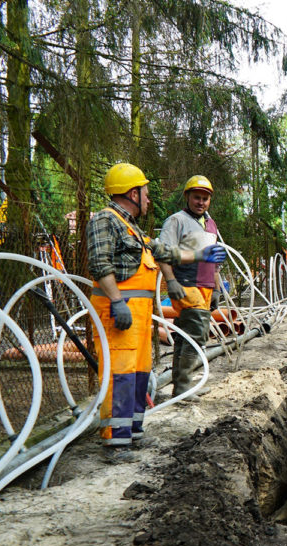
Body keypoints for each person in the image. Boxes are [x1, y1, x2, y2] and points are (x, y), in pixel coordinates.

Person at [87, 163, 226, 447]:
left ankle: (132, 430)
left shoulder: (132, 228)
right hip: (120, 313)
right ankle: (116, 439)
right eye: (145, 193)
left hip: (138, 316)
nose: (149, 199)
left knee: (139, 372)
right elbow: (100, 264)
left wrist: (201, 255)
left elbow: (164, 250)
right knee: (120, 373)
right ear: (131, 193)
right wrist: (116, 301)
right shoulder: (105, 220)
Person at [157, 175, 224, 399]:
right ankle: (184, 388)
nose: (201, 202)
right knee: (197, 335)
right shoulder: (176, 221)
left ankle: (182, 387)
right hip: (185, 284)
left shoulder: (210, 223)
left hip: (205, 287)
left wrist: (216, 288)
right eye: (197, 197)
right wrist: (171, 281)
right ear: (187, 196)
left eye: (205, 198)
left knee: (187, 335)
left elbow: (214, 262)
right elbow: (163, 253)